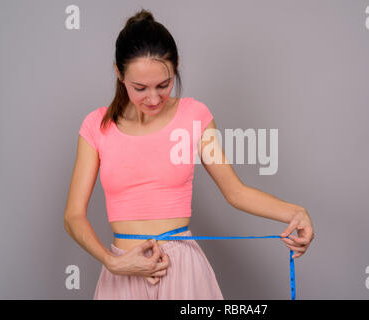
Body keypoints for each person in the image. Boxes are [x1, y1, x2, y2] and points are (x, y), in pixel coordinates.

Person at [64, 8, 315, 300]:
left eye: (164, 84)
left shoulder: (194, 116)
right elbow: (73, 216)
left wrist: (297, 212)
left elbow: (236, 191)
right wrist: (113, 262)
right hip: (123, 271)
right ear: (119, 73)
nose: (154, 98)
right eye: (140, 88)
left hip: (182, 271)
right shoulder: (97, 125)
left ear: (177, 66)